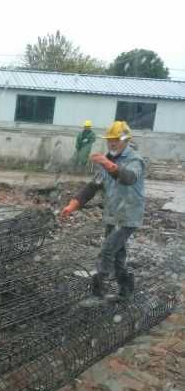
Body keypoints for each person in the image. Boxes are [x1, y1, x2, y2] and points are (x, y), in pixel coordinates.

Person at [61, 120, 145, 301]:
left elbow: (128, 178)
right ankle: (126, 290)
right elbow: (93, 187)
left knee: (107, 250)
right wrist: (73, 205)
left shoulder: (134, 160)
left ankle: (97, 292)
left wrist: (109, 165)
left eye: (116, 139)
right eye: (109, 140)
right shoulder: (108, 159)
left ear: (125, 140)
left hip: (128, 216)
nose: (112, 143)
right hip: (113, 215)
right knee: (117, 256)